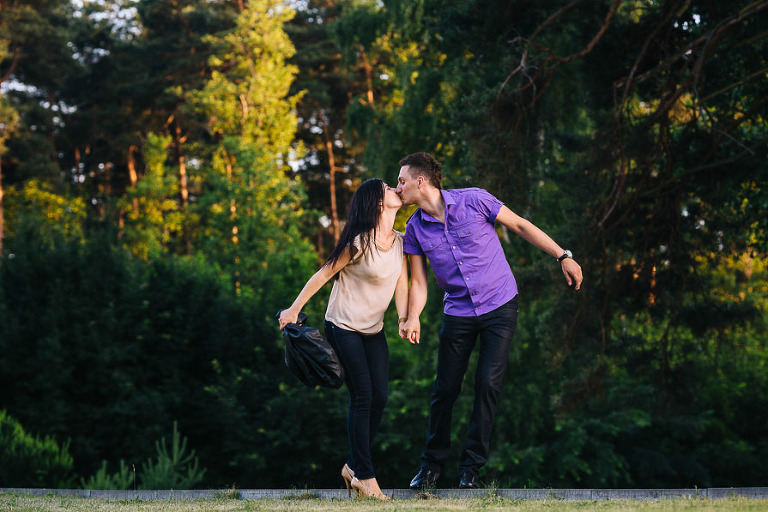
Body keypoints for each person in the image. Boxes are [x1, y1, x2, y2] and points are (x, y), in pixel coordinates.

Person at [395, 152, 583, 490]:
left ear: (420, 181)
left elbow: (521, 225)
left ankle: (470, 471)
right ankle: (431, 469)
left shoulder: (475, 200)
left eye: (402, 181)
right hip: (458, 313)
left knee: (487, 385)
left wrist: (562, 256)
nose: (398, 188)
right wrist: (412, 316)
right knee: (444, 390)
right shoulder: (413, 230)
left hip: (500, 305)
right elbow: (419, 284)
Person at [278, 178, 411, 500]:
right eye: (389, 189)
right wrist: (294, 309)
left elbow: (402, 284)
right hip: (343, 326)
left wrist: (406, 319)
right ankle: (365, 476)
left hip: (373, 329)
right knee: (362, 397)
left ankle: (353, 466)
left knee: (379, 398)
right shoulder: (358, 242)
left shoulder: (400, 241)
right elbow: (324, 273)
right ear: (379, 203)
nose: (397, 190)